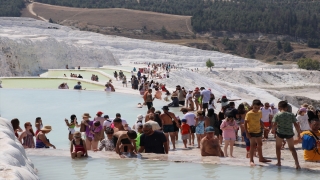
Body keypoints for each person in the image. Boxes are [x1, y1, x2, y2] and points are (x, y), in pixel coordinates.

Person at [271, 101, 302, 169]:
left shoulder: (277, 115)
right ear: (286, 108)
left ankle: (279, 162)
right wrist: (299, 133)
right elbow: (296, 125)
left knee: (278, 148)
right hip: (289, 133)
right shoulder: (291, 115)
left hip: (280, 133)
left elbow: (274, 124)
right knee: (292, 148)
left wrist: (273, 130)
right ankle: (297, 164)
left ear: (279, 107)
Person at [245, 99, 271, 166]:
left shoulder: (259, 112)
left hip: (258, 130)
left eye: (258, 108)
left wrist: (264, 127)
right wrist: (247, 133)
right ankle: (251, 160)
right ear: (252, 106)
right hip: (251, 131)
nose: (256, 109)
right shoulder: (249, 113)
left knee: (260, 144)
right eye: (255, 107)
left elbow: (259, 121)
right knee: (252, 145)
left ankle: (261, 158)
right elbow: (245, 123)